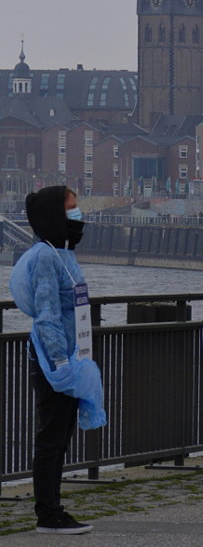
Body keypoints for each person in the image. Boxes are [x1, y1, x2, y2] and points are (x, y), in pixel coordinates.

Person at [9, 186, 106, 534]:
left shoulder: (63, 253)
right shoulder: (46, 257)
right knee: (51, 439)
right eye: (72, 210)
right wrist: (60, 364)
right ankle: (47, 514)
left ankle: (55, 508)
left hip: (70, 355)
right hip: (56, 359)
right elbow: (48, 313)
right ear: (55, 216)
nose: (78, 216)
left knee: (61, 437)